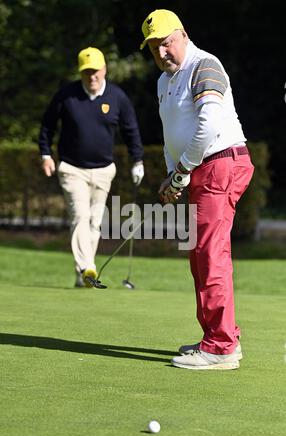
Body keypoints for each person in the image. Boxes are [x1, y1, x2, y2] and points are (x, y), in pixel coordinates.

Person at [140, 9, 254, 370]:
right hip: (199, 168)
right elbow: (171, 131)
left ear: (183, 34)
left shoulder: (205, 65)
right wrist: (175, 171)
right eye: (154, 47)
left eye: (166, 43)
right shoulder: (164, 81)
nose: (161, 53)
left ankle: (220, 347)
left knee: (210, 254)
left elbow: (207, 125)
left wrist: (182, 171)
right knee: (201, 254)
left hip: (220, 162)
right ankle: (219, 338)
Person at [39, 47, 144, 287]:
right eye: (87, 72)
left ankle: (82, 275)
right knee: (80, 216)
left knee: (95, 222)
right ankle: (87, 268)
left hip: (104, 170)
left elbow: (131, 130)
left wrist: (137, 161)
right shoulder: (67, 96)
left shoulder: (117, 97)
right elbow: (47, 126)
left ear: (105, 69)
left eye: (96, 71)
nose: (92, 77)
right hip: (72, 169)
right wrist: (46, 154)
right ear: (81, 72)